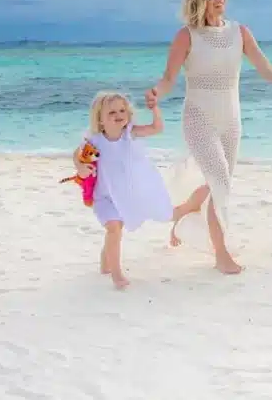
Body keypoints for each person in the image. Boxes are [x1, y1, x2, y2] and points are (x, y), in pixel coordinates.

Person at [145, 0, 272, 275]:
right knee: (219, 183)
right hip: (198, 119)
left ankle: (186, 210)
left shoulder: (239, 33)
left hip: (231, 121)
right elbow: (168, 79)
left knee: (221, 184)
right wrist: (156, 94)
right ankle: (221, 254)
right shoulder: (186, 36)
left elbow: (268, 71)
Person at [71, 90, 199, 290]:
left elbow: (157, 128)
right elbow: (77, 154)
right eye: (112, 112)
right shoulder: (95, 140)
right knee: (114, 228)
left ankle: (106, 263)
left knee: (118, 229)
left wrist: (155, 109)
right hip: (104, 197)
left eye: (122, 110)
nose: (118, 115)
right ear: (100, 119)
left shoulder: (129, 134)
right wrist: (80, 167)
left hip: (126, 194)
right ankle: (116, 274)